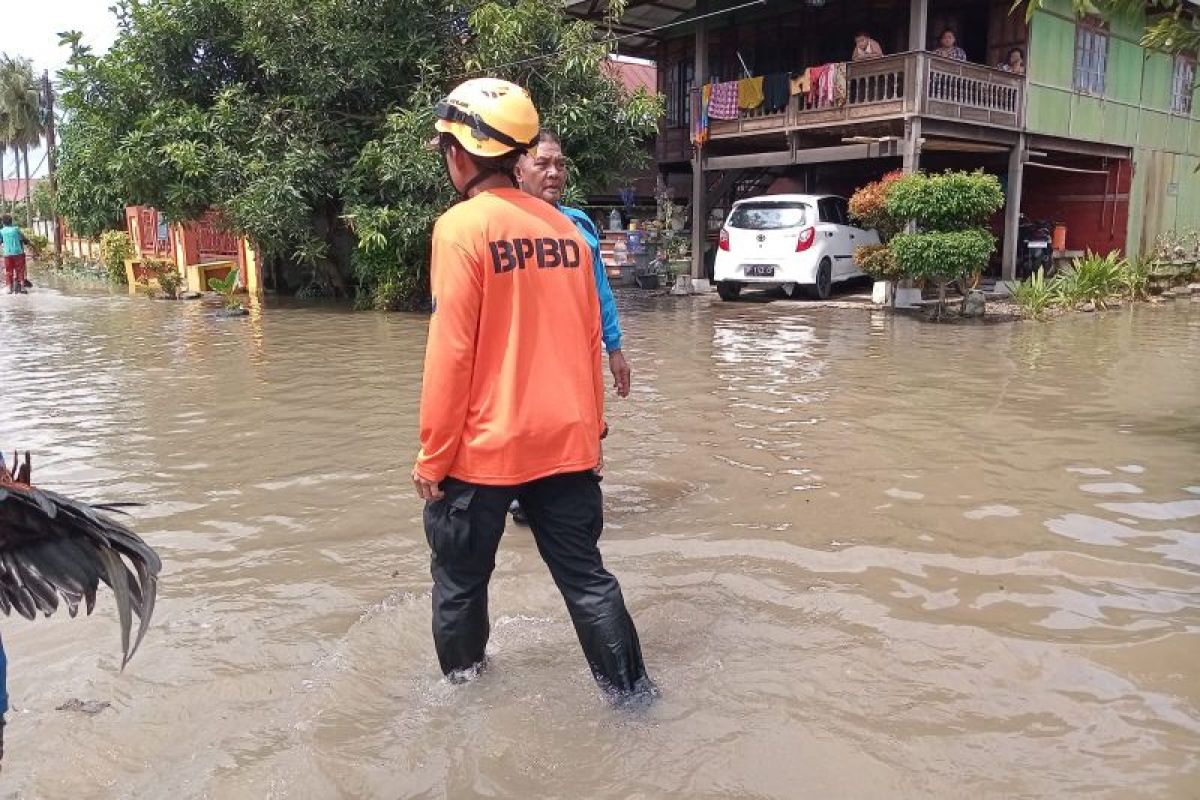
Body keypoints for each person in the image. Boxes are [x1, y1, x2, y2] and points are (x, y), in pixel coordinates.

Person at [413, 78, 655, 702]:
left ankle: (465, 703)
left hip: (483, 451)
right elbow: (588, 344)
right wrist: (593, 434)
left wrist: (433, 458)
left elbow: (451, 355)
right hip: (566, 443)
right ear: (519, 154)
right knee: (587, 579)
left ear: (459, 155)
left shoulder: (461, 228)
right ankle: (632, 700)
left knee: (461, 586)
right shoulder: (573, 235)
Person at [506, 130, 628, 525]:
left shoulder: (579, 226)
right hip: (524, 356)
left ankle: (577, 487)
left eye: (559, 164)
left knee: (586, 428)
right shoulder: (503, 226)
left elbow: (601, 293)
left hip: (577, 353)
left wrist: (615, 349)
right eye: (543, 164)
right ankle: (522, 495)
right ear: (519, 170)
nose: (554, 173)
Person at [0, 215, 30, 295]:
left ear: (3, 222)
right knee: (20, 270)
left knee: (8, 271)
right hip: (18, 253)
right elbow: (24, 239)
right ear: (11, 222)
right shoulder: (16, 229)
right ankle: (22, 287)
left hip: (7, 254)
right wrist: (27, 242)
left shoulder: (1, 231)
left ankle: (9, 288)